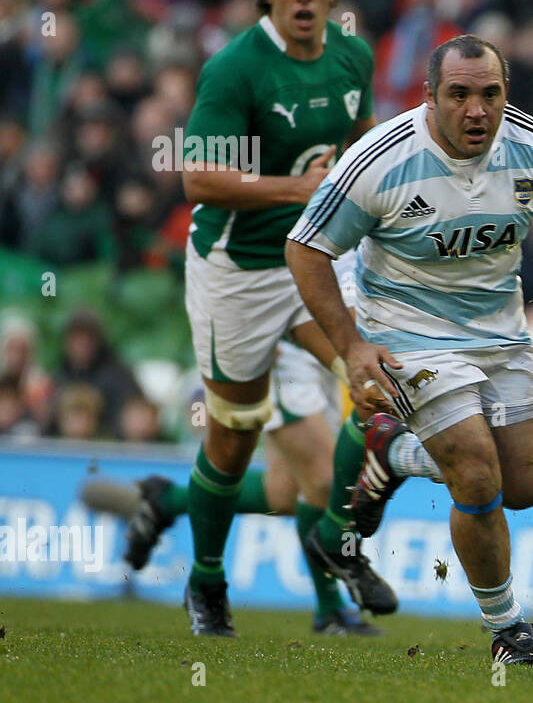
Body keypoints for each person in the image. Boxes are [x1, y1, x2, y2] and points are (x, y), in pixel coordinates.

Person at [285, 34, 533, 666]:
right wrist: (351, 345)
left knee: (526, 484)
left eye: (490, 94)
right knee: (476, 468)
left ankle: (392, 454)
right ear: (430, 97)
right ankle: (508, 630)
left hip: (499, 330)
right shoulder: (381, 160)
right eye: (458, 95)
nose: (476, 110)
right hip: (404, 326)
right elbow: (306, 249)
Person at [169, 0, 394, 636]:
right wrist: (296, 191)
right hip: (235, 271)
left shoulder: (353, 59)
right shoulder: (236, 68)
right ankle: (206, 580)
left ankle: (337, 537)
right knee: (232, 440)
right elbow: (198, 179)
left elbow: (362, 148)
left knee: (378, 386)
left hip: (311, 265)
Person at [80, 251, 389, 635]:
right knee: (324, 479)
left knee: (284, 493)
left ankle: (166, 500)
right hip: (290, 342)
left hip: (335, 340)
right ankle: (328, 608)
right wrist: (260, 318)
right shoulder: (289, 193)